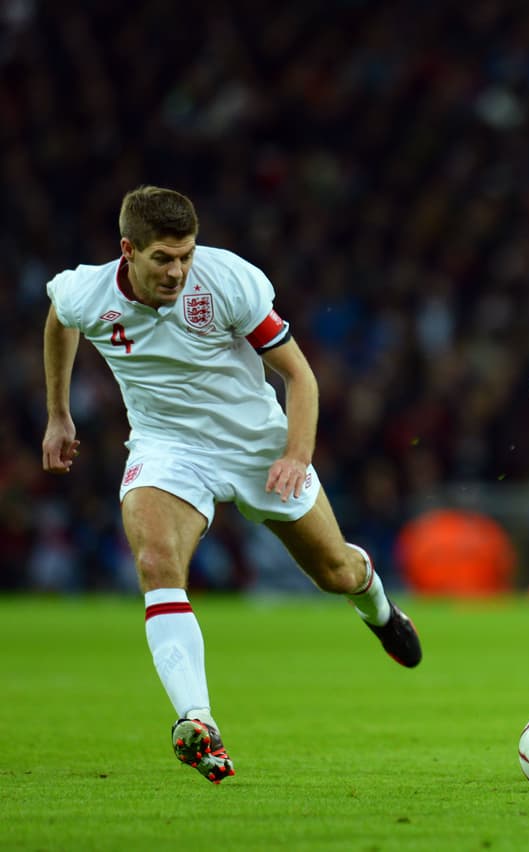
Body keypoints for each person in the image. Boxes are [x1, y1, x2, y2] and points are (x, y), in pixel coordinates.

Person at [42, 186, 422, 784]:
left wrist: (296, 454)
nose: (177, 271)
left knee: (335, 572)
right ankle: (198, 722)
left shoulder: (227, 281)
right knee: (157, 562)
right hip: (167, 447)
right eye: (163, 258)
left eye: (185, 255)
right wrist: (59, 413)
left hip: (257, 446)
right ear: (128, 251)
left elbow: (299, 375)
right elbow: (60, 319)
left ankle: (377, 607)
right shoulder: (87, 291)